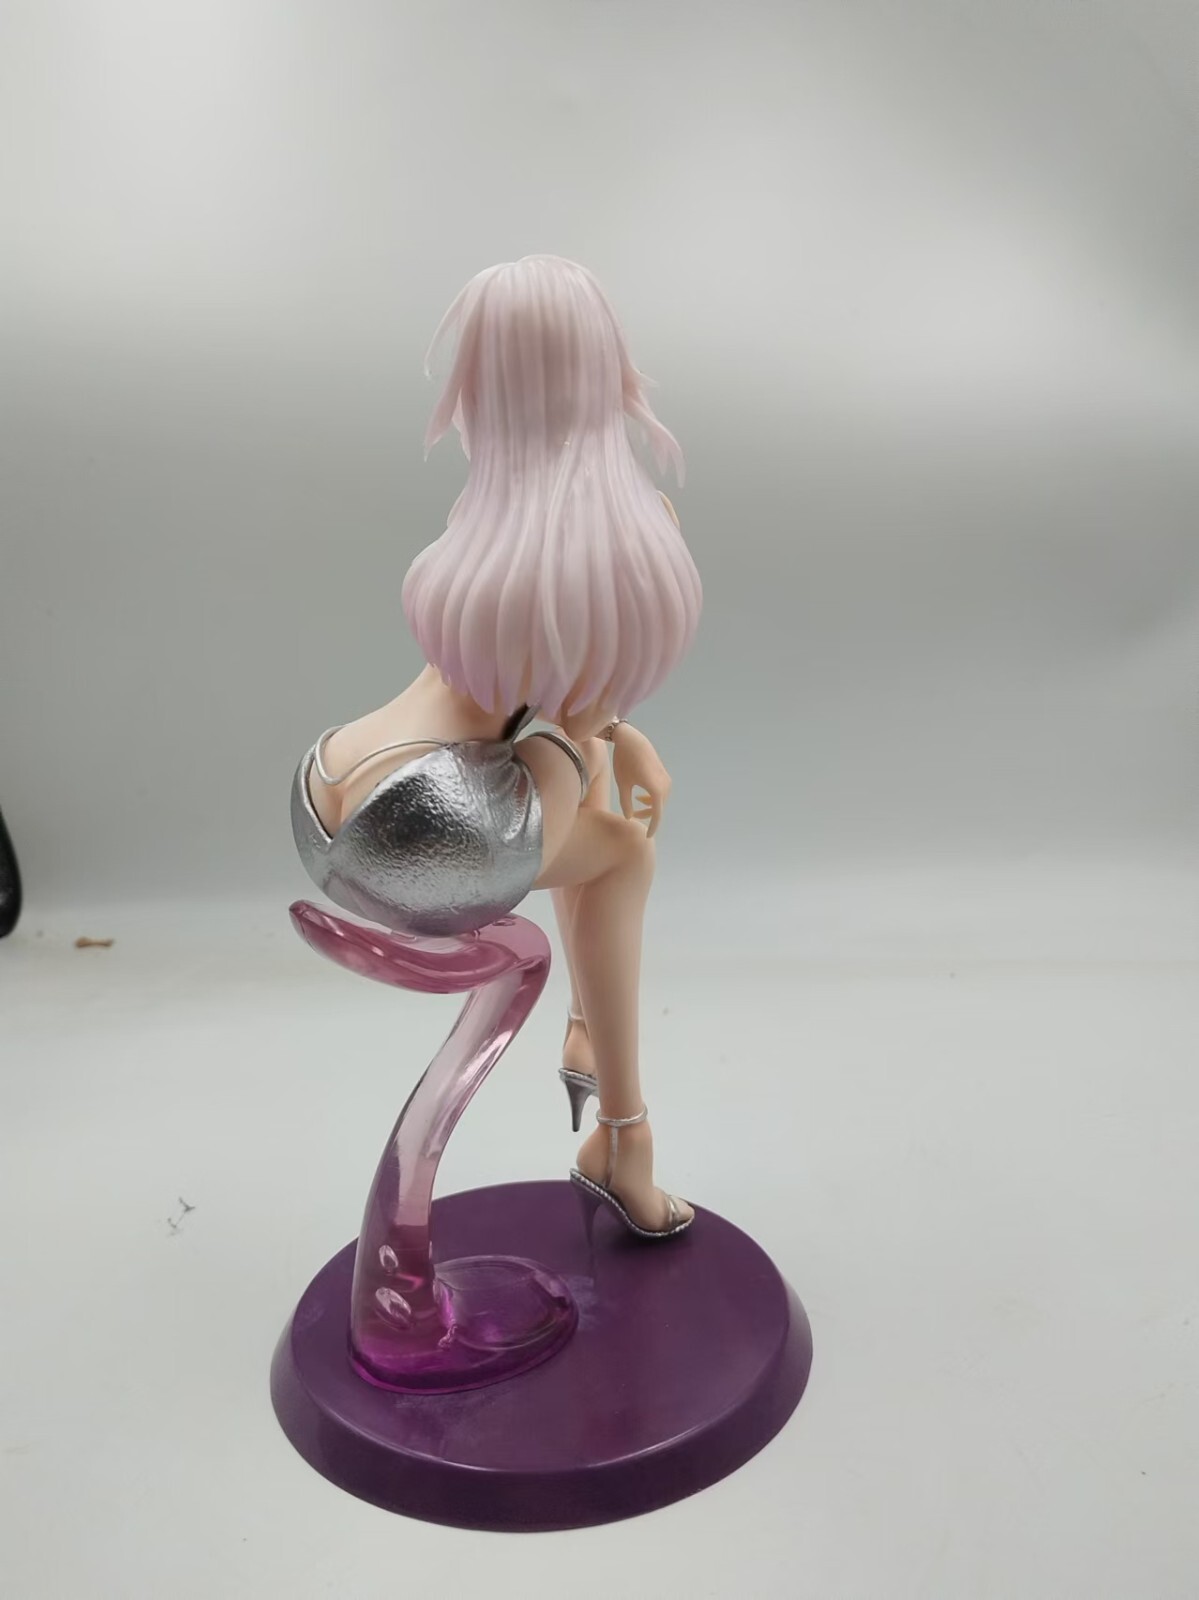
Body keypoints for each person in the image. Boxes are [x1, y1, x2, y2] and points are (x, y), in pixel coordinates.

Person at [292, 255, 702, 1237]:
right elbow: (576, 711)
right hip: (432, 831)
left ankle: (581, 1037)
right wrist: (620, 743)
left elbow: (545, 707)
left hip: (329, 789)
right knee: (622, 849)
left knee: (567, 773)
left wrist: (614, 743)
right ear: (605, 363)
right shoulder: (621, 532)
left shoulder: (477, 528)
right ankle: (623, 1138)